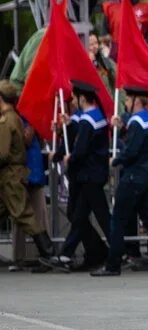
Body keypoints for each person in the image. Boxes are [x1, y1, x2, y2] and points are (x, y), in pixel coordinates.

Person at [94, 85, 148, 277]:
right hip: (146, 179)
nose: (125, 102)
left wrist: (116, 159)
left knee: (117, 219)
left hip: (133, 178)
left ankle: (113, 264)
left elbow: (132, 151)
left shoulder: (137, 123)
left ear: (137, 101)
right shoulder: (147, 119)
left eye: (128, 99)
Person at [0, 81, 58, 268]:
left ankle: (48, 252)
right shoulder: (13, 118)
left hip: (10, 176)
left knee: (24, 214)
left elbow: (2, 153)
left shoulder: (6, 120)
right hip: (11, 175)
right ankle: (48, 252)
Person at [56, 81, 111, 270]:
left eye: (75, 97)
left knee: (97, 216)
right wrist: (70, 124)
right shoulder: (97, 115)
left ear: (82, 98)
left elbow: (81, 148)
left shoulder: (88, 120)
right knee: (81, 215)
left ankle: (117, 251)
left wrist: (69, 158)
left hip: (89, 175)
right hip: (94, 173)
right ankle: (71, 253)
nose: (74, 100)